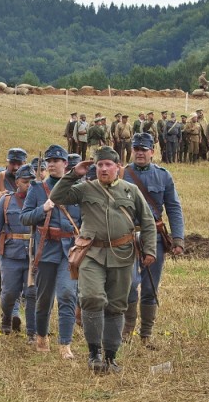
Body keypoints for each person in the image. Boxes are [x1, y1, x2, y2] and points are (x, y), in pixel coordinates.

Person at [50, 146, 156, 373]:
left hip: (123, 254)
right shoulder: (84, 189)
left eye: (109, 164)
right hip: (92, 254)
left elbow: (147, 222)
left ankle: (110, 356)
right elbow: (57, 197)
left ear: (118, 167)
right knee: (91, 297)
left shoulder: (131, 191)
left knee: (117, 306)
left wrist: (149, 250)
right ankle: (94, 353)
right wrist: (74, 174)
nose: (104, 169)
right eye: (100, 165)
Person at [122, 133, 185, 349]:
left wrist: (178, 239)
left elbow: (174, 207)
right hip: (126, 236)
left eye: (144, 149)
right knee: (129, 285)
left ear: (152, 152)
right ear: (132, 151)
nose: (140, 153)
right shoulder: (121, 174)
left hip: (154, 237)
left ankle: (146, 335)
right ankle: (126, 332)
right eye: (136, 149)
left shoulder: (163, 176)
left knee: (150, 288)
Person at [21, 145, 81, 359]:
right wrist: (42, 209)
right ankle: (42, 335)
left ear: (66, 164)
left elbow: (85, 220)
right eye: (50, 161)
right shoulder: (37, 189)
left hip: (70, 252)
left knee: (67, 294)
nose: (53, 164)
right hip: (45, 250)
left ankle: (65, 344)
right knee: (44, 298)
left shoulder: (77, 188)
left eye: (57, 160)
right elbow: (25, 217)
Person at [0, 165, 35, 337]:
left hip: (33, 255)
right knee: (9, 293)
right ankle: (7, 317)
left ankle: (32, 331)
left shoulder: (40, 202)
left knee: (32, 293)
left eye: (32, 182)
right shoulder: (6, 200)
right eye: (25, 182)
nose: (29, 185)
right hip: (10, 255)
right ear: (17, 183)